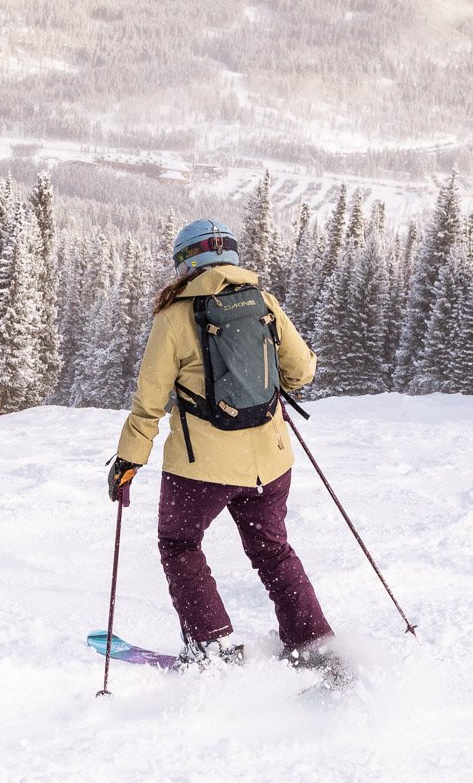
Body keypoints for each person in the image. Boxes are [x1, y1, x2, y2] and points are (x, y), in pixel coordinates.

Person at [108, 219, 348, 683]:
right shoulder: (264, 303)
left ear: (184, 263)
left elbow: (150, 402)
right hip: (272, 462)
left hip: (204, 471)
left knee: (180, 544)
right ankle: (314, 644)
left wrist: (128, 462)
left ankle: (213, 643)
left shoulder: (175, 316)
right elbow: (301, 372)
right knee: (273, 550)